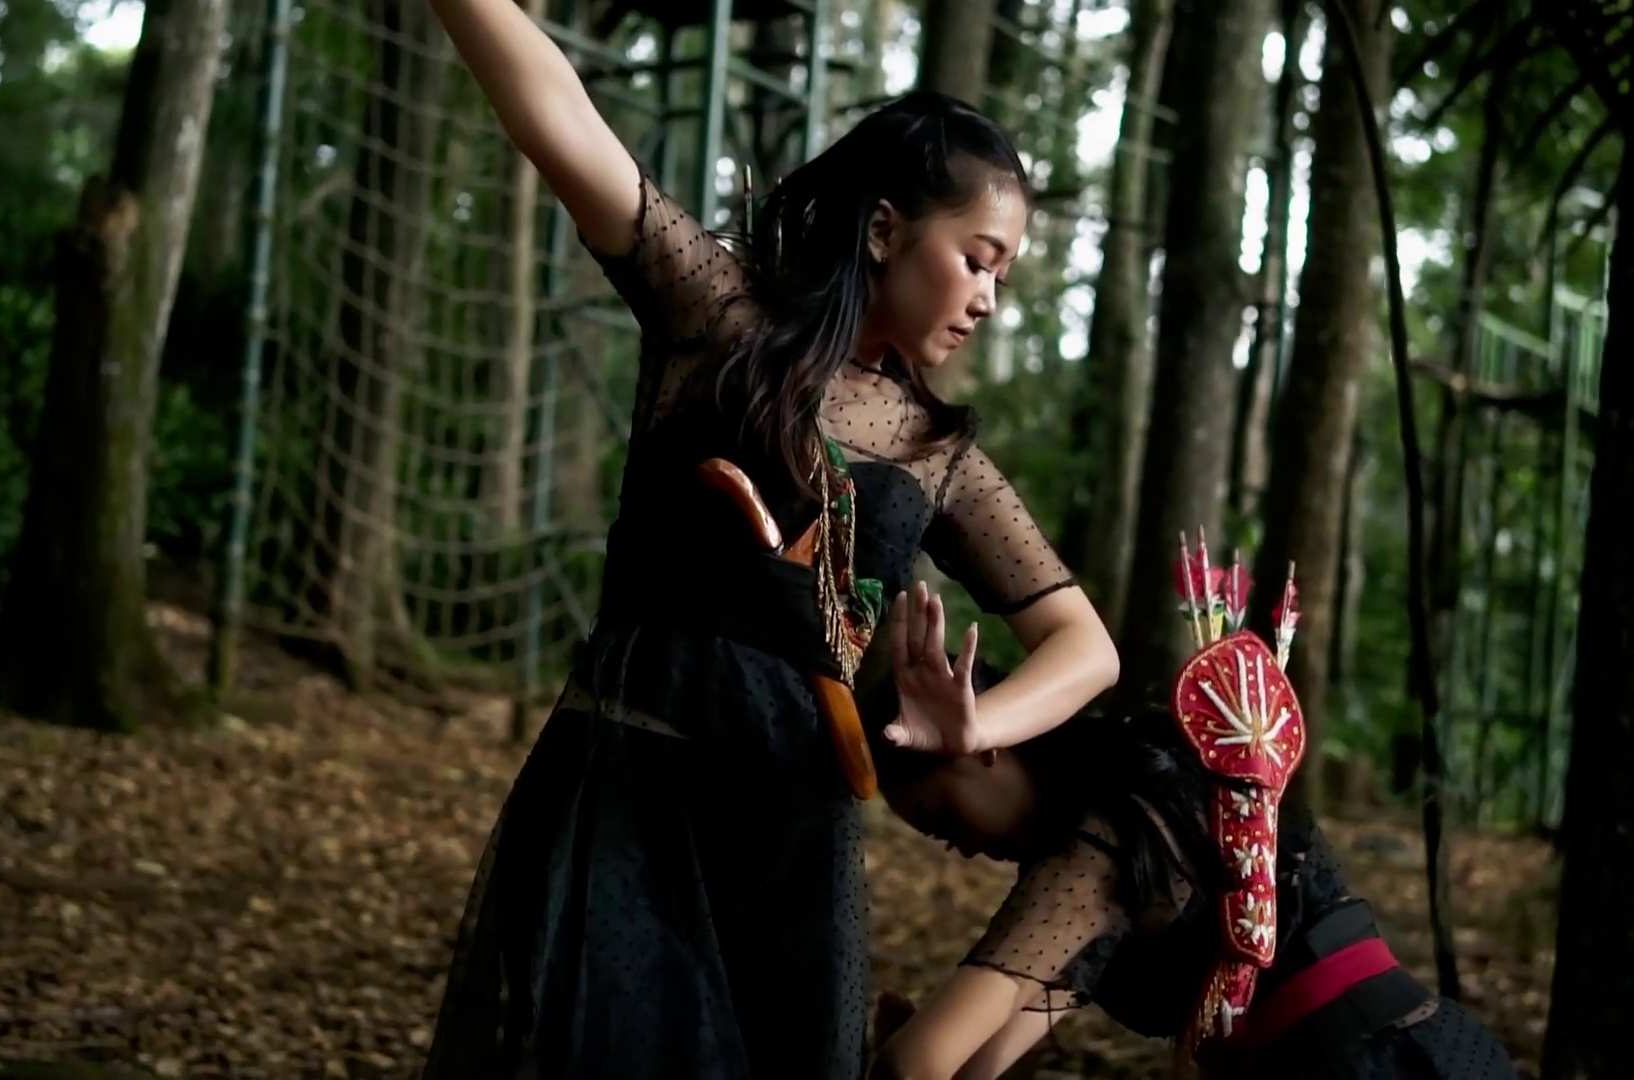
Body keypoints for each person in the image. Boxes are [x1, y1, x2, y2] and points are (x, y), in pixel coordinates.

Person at [418, 3, 1119, 1077]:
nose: (987, 297)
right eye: (977, 259)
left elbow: (1087, 647)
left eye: (1004, 276)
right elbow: (559, 112)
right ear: (884, 230)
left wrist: (974, 725)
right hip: (630, 790)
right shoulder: (716, 318)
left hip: (796, 838)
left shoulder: (939, 453)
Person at [864, 570, 1517, 1080]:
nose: (959, 849)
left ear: (984, 746)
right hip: (1427, 1044)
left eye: (941, 818)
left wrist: (908, 1048)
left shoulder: (1100, 843)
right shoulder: (1126, 795)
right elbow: (977, 1061)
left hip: (1361, 1063)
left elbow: (911, 1067)